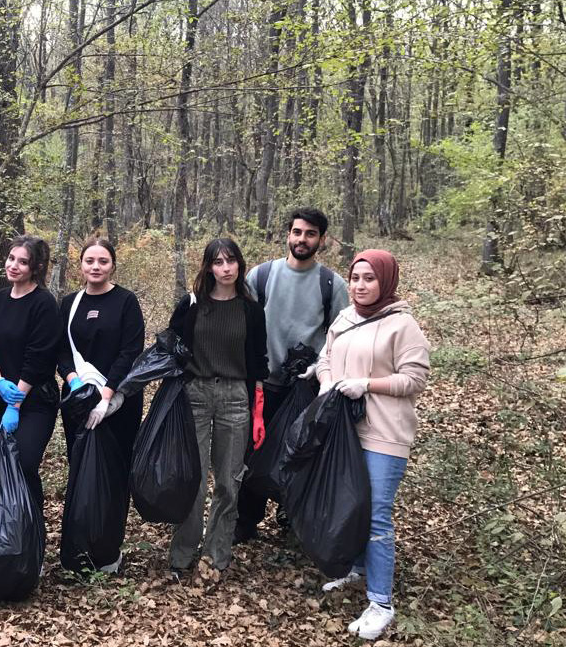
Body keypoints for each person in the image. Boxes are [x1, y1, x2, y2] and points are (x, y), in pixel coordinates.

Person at [316, 249, 430, 641]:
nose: (361, 285)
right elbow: (325, 357)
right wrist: (327, 381)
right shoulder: (344, 319)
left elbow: (414, 379)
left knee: (377, 515)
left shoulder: (402, 325)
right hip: (344, 432)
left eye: (369, 279)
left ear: (386, 281)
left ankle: (381, 602)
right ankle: (358, 570)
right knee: (352, 504)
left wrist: (367, 385)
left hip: (384, 433)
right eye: (356, 278)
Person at [235, 207, 349, 544]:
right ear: (288, 234)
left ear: (321, 240)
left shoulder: (332, 284)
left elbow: (340, 335)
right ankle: (246, 521)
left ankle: (292, 515)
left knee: (300, 453)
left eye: (310, 234)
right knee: (252, 453)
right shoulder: (261, 276)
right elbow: (241, 322)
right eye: (297, 232)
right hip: (262, 384)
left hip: (307, 387)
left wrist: (321, 370)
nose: (302, 239)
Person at [167, 238, 268, 575]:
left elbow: (258, 362)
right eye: (218, 262)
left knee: (228, 480)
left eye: (231, 261)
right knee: (192, 478)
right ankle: (183, 552)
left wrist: (258, 411)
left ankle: (217, 553)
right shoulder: (192, 304)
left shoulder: (251, 310)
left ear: (240, 264)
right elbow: (172, 349)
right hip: (195, 394)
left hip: (236, 397)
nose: (225, 268)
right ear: (208, 267)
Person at [57, 237, 146, 573]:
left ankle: (108, 550)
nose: (95, 267)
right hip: (78, 402)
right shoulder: (69, 303)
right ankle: (80, 544)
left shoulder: (125, 301)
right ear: (80, 265)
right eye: (89, 261)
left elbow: (130, 350)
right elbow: (60, 350)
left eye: (103, 261)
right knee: (82, 469)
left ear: (112, 265)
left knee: (114, 470)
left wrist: (107, 395)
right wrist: (73, 380)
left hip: (119, 403)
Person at [0, 235, 61, 510]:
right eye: (11, 259)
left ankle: (31, 531)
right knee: (3, 464)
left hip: (35, 401)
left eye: (23, 262)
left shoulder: (44, 303)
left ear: (36, 268)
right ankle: (6, 531)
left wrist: (14, 403)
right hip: (0, 396)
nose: (14, 266)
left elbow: (38, 357)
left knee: (24, 463)